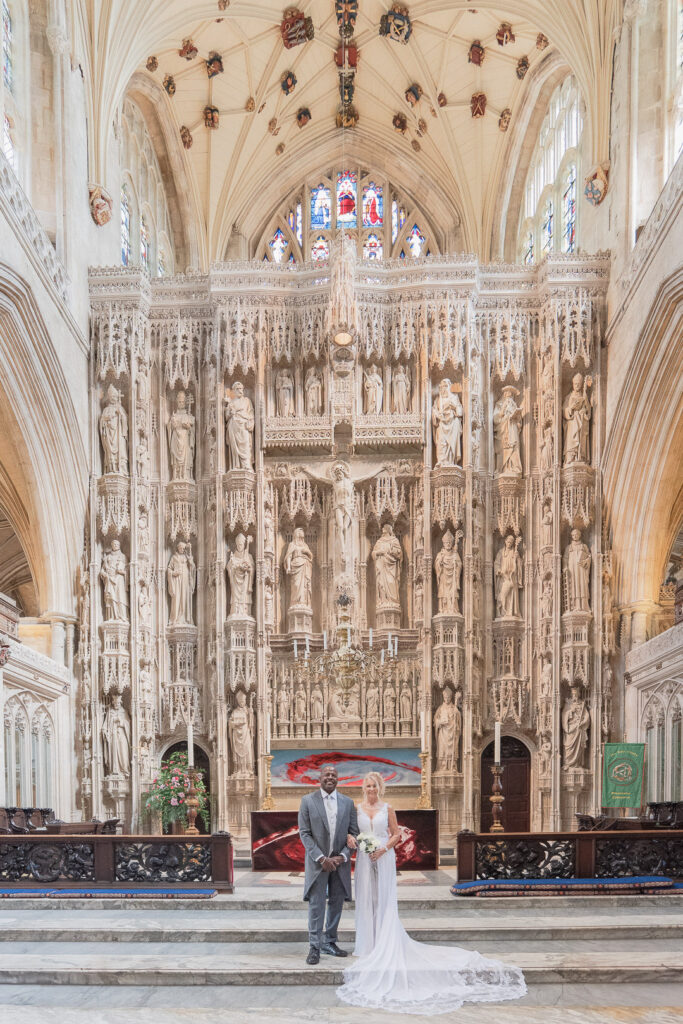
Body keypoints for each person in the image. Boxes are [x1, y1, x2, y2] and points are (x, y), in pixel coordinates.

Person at [337, 772, 526, 1014]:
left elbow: (396, 834)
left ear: (380, 787)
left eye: (374, 785)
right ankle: (366, 945)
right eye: (367, 785)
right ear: (362, 787)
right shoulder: (356, 809)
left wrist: (383, 849)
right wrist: (353, 840)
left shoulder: (388, 807)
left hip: (383, 857)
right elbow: (350, 833)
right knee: (365, 899)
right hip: (364, 858)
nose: (370, 788)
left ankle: (384, 940)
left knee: (383, 899)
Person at [298, 764, 359, 965]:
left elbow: (354, 834)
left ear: (338, 779)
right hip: (318, 863)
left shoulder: (348, 803)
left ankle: (329, 941)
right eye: (327, 774)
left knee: (336, 903)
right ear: (320, 778)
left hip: (339, 863)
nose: (330, 777)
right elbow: (304, 833)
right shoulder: (308, 801)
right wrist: (321, 858)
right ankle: (314, 946)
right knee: (316, 905)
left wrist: (342, 856)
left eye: (334, 775)